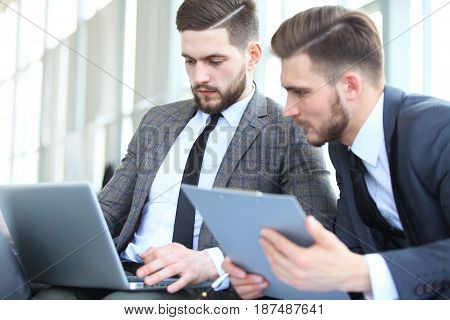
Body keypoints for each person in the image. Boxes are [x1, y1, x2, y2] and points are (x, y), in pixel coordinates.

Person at [35, 0, 336, 300]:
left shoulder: (289, 129)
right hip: (125, 270)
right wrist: (39, 231)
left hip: (199, 289)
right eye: (190, 61)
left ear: (252, 56)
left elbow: (317, 228)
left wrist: (213, 261)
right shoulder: (159, 121)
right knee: (49, 298)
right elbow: (110, 209)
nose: (199, 77)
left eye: (214, 61)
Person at [224, 5, 450, 300]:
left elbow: (357, 268)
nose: (288, 110)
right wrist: (273, 276)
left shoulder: (438, 131)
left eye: (301, 92)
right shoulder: (341, 146)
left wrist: (362, 272)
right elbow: (348, 252)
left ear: (351, 86)